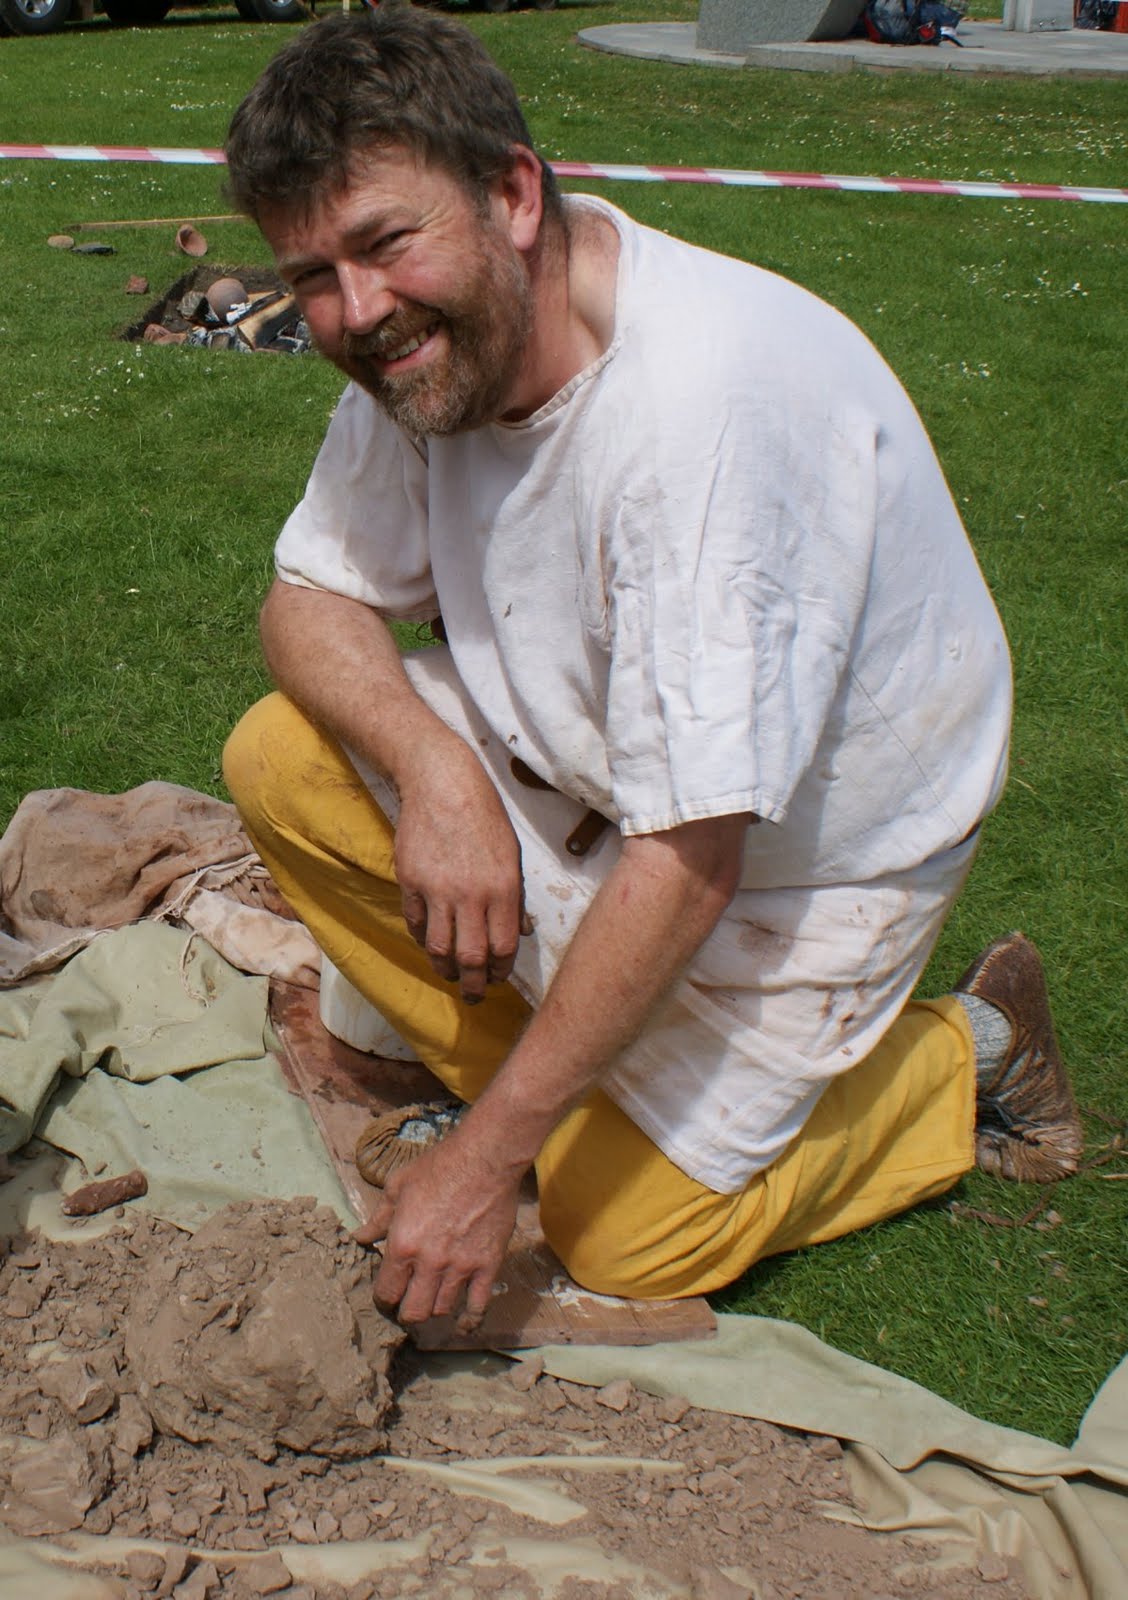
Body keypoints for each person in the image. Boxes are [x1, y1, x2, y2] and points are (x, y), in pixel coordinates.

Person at [221, 8, 1082, 1332]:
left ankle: (968, 1054)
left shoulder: (702, 418)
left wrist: (484, 1168)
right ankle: (559, 1102)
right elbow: (308, 599)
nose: (357, 311)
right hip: (609, 770)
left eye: (386, 243)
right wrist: (437, 771)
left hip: (814, 854)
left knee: (625, 1239)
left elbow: (695, 859)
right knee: (283, 759)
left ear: (514, 195)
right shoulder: (434, 345)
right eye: (314, 274)